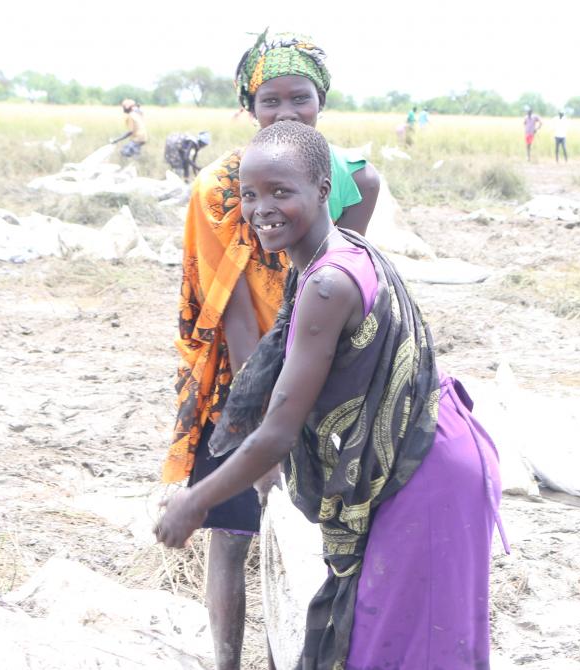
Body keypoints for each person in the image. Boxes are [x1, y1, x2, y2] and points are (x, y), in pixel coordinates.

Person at [156, 120, 502, 670]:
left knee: (402, 648)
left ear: (323, 190)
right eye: (249, 195)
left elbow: (278, 432)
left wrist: (195, 503)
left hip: (426, 472)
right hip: (424, 459)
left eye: (280, 192)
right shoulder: (327, 258)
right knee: (376, 640)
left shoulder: (327, 283)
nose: (261, 209)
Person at [164, 30, 381, 670]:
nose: (286, 113)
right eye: (270, 102)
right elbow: (233, 312)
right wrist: (259, 422)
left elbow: (333, 284)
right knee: (232, 530)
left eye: (301, 99)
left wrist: (304, 405)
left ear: (323, 103)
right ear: (249, 108)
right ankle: (227, 661)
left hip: (324, 369)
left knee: (323, 530)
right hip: (242, 375)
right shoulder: (219, 191)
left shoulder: (355, 181)